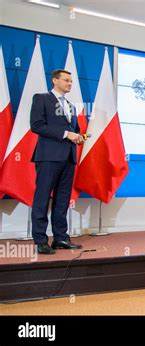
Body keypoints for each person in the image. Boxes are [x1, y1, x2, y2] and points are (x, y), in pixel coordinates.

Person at [30, 69, 84, 254]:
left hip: (68, 157)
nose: (70, 83)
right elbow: (36, 125)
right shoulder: (41, 98)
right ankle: (40, 240)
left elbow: (73, 129)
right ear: (55, 80)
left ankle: (60, 237)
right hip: (48, 157)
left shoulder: (71, 105)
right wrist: (65, 134)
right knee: (42, 198)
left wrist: (78, 137)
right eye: (66, 80)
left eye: (71, 81)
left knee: (62, 200)